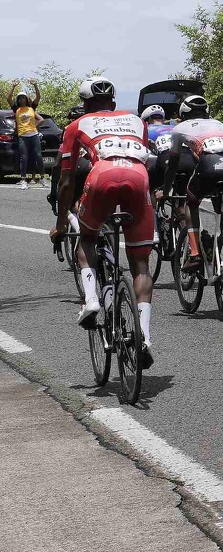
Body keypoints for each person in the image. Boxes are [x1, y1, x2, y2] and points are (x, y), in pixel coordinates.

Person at [49, 78, 155, 368]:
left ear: (84, 104)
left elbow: (66, 181)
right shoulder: (136, 121)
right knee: (141, 264)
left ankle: (92, 299)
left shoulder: (77, 125)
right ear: (113, 102)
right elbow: (137, 158)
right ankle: (144, 337)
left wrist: (60, 223)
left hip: (101, 175)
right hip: (138, 178)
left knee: (87, 238)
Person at [160, 95, 223, 273]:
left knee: (191, 203)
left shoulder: (180, 128)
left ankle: (195, 253)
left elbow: (173, 164)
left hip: (209, 164)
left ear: (183, 113)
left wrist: (166, 191)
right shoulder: (220, 124)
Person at [7, 79, 44, 188]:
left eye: (23, 97)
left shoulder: (31, 108)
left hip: (33, 135)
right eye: (20, 98)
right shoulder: (16, 109)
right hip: (22, 136)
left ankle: (42, 177)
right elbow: (8, 99)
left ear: (26, 99)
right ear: (18, 100)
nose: (22, 99)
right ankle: (23, 180)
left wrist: (35, 85)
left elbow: (38, 97)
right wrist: (13, 87)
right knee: (24, 157)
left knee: (38, 155)